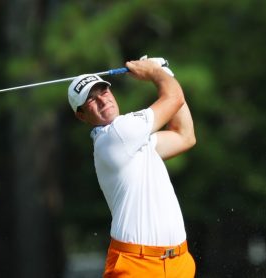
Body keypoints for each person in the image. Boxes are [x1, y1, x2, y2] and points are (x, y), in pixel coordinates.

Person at [67, 57, 196, 277]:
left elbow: (184, 136)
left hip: (179, 264)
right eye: (90, 100)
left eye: (103, 92)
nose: (102, 101)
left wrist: (166, 72)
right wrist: (155, 73)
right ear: (81, 115)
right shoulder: (117, 134)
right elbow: (174, 97)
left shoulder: (135, 142)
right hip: (137, 266)